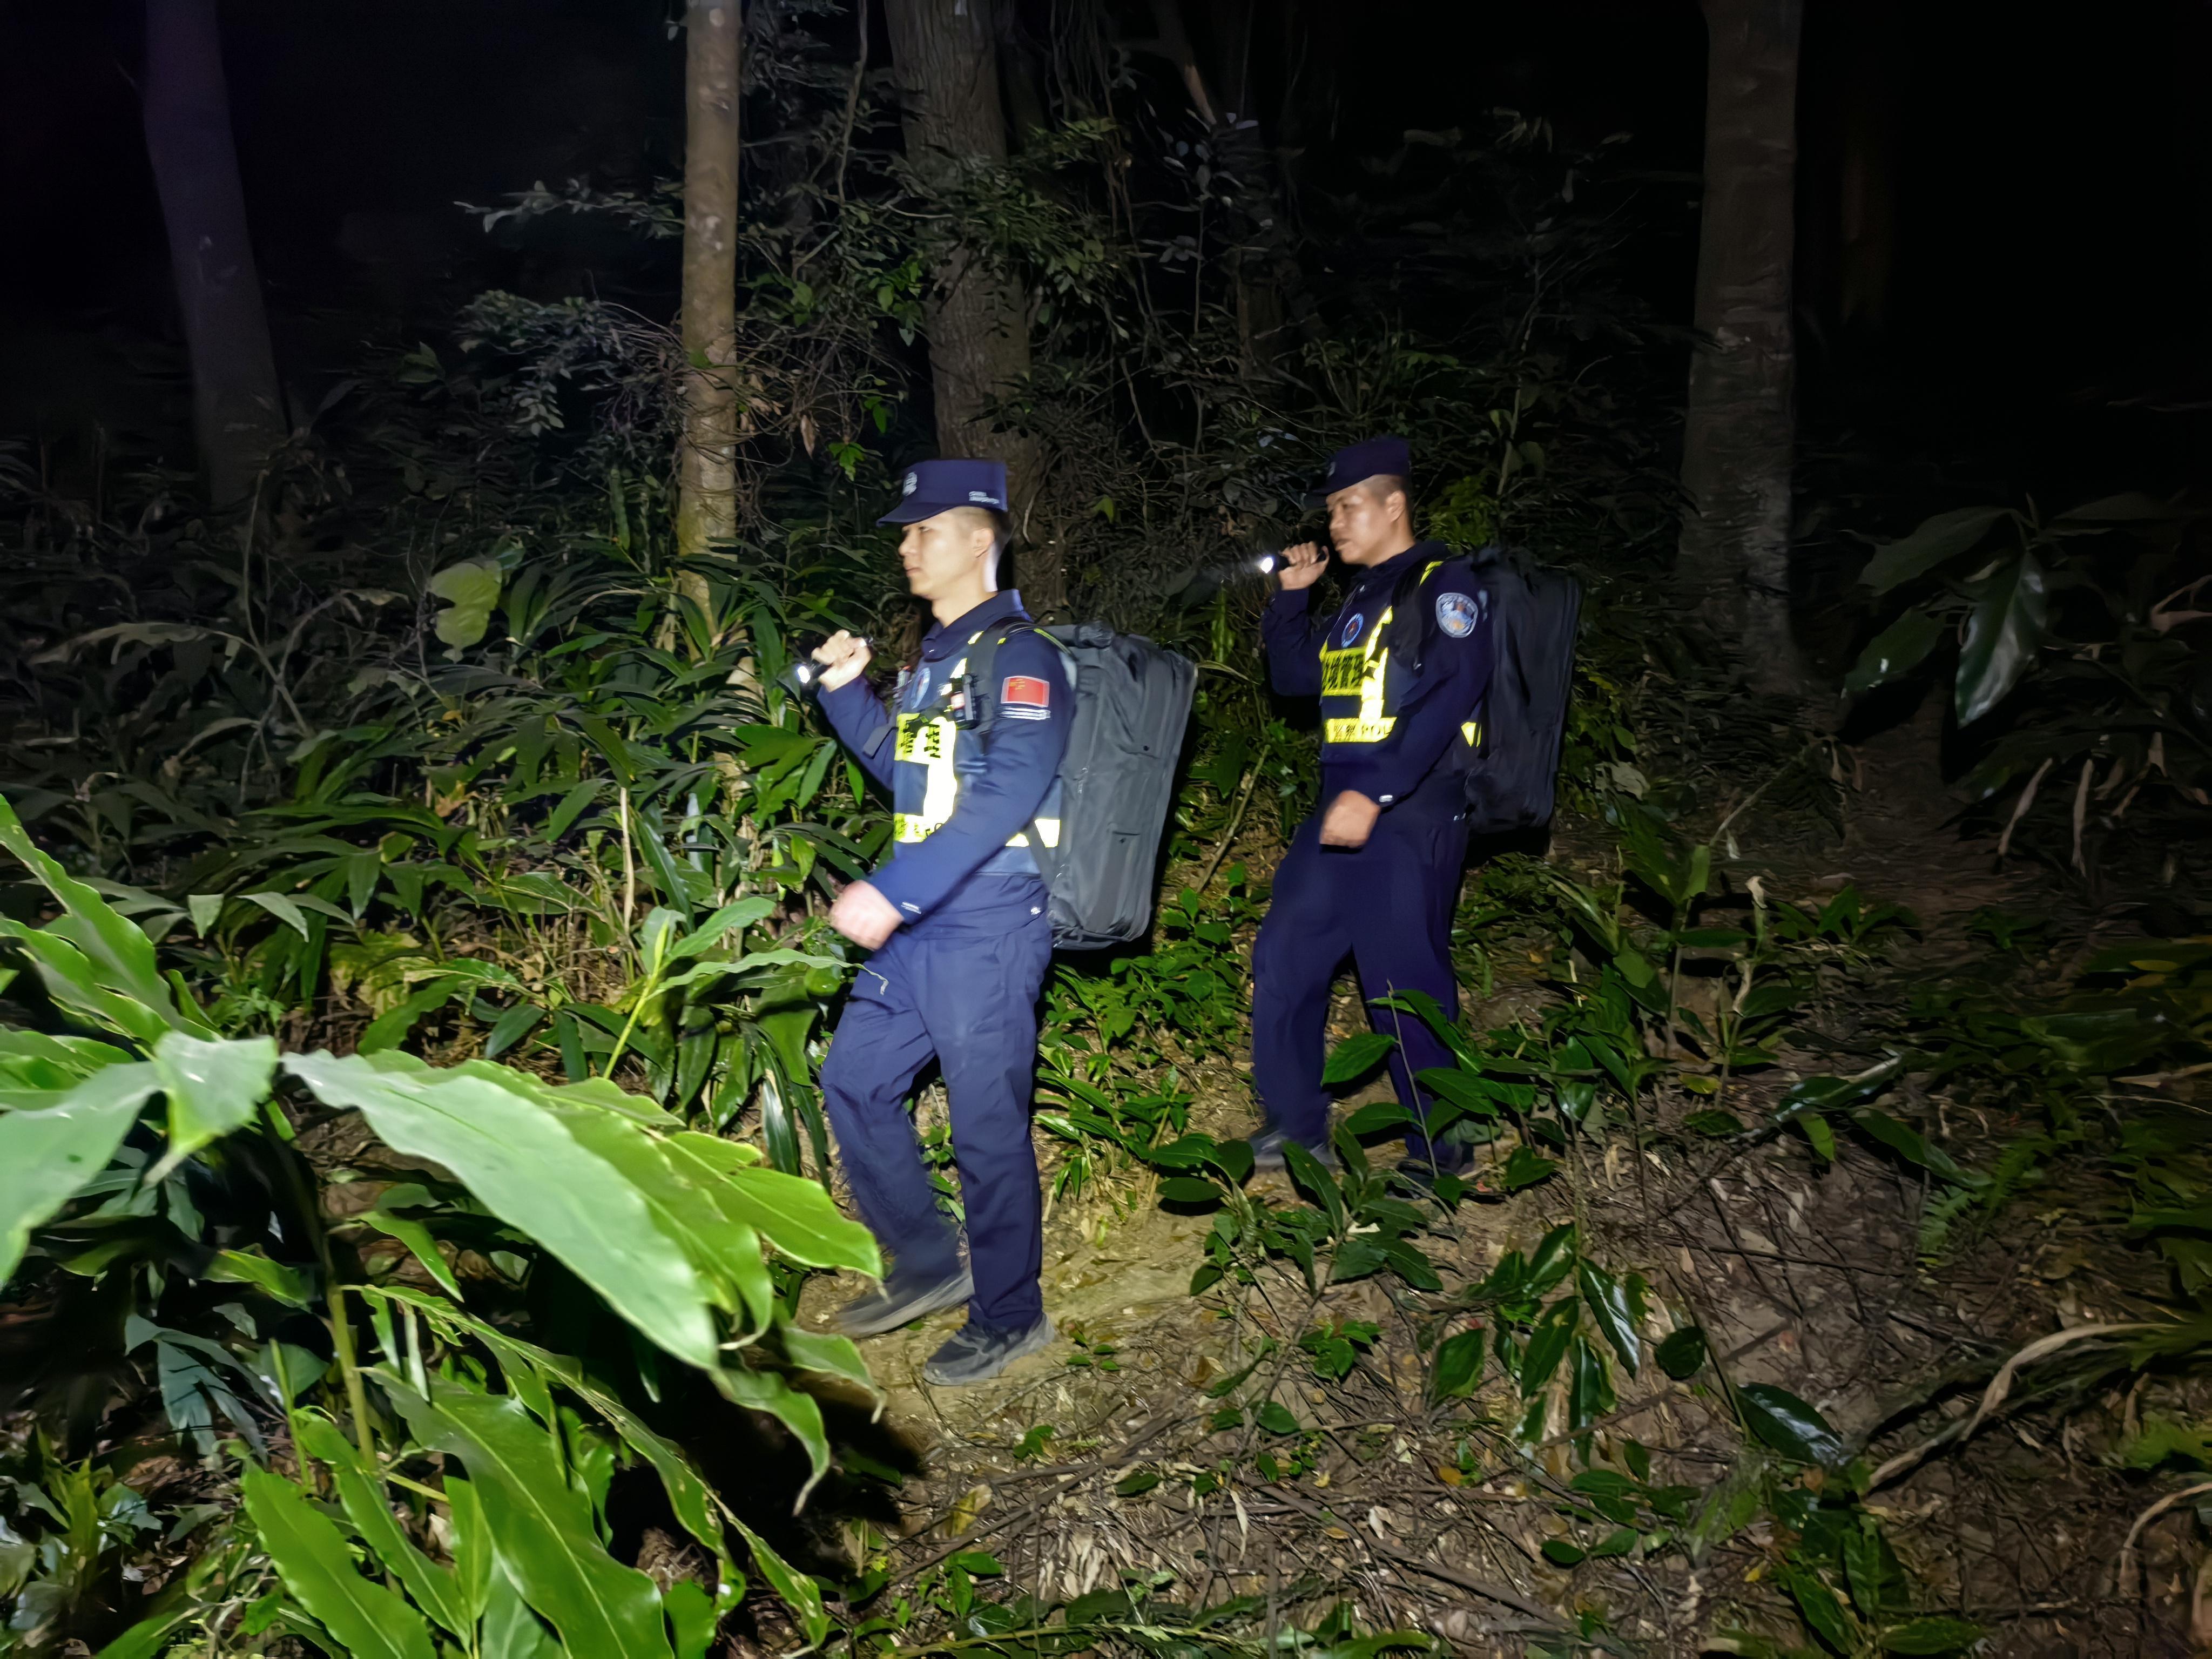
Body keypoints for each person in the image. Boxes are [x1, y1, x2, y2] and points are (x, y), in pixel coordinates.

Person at [806, 457, 1067, 1385]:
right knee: (855, 1080)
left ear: (980, 539)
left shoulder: (1023, 657)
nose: (907, 546)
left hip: (987, 920)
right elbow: (906, 775)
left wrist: (894, 891)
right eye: (907, 531)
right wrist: (847, 692)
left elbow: (1009, 792)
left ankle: (1012, 1314)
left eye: (925, 529)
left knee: (986, 1129)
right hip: (924, 922)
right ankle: (926, 1262)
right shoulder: (938, 661)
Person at [1249, 436, 1496, 1183]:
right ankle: (1296, 1125)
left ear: (1394, 506)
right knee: (1285, 953)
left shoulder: (1446, 586)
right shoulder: (1361, 598)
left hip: (1412, 808)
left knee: (1403, 983)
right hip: (1340, 808)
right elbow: (1294, 679)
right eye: (1330, 510)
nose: (1334, 523)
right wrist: (1294, 597)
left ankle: (1443, 1148)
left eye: (1348, 506)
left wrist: (1377, 790)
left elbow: (1451, 692)